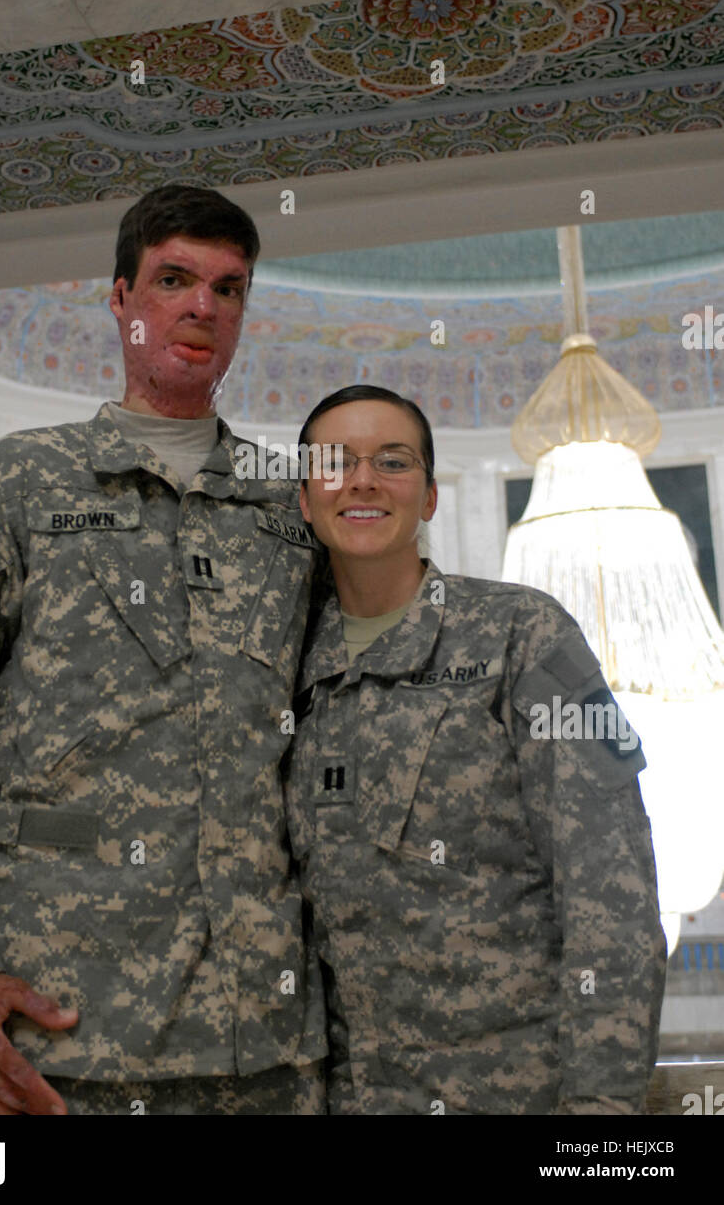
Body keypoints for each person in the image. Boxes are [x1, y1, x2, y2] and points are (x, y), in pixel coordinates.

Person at [0, 184, 327, 1116]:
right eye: (175, 279)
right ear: (122, 300)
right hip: (62, 1045)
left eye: (229, 289)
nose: (203, 308)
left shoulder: (292, 511)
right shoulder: (21, 482)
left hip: (265, 1050)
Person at [285, 384, 667, 1115]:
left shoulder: (525, 634)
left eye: (392, 462)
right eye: (336, 462)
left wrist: (601, 1121)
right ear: (305, 499)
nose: (363, 480)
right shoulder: (288, 668)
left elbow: (611, 895)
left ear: (428, 497)